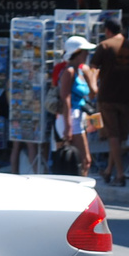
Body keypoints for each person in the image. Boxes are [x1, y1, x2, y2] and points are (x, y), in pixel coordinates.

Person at [90, 17, 129, 185]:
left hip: (107, 97)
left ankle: (120, 174)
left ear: (108, 31)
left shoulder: (104, 46)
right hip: (126, 97)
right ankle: (109, 171)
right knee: (118, 138)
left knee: (112, 136)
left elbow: (93, 69)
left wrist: (92, 88)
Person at [54, 36, 97, 176]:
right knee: (84, 160)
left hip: (76, 116)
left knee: (80, 160)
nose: (87, 55)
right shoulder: (70, 72)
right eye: (85, 51)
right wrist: (68, 126)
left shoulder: (79, 71)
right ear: (77, 52)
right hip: (70, 117)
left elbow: (91, 94)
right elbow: (65, 98)